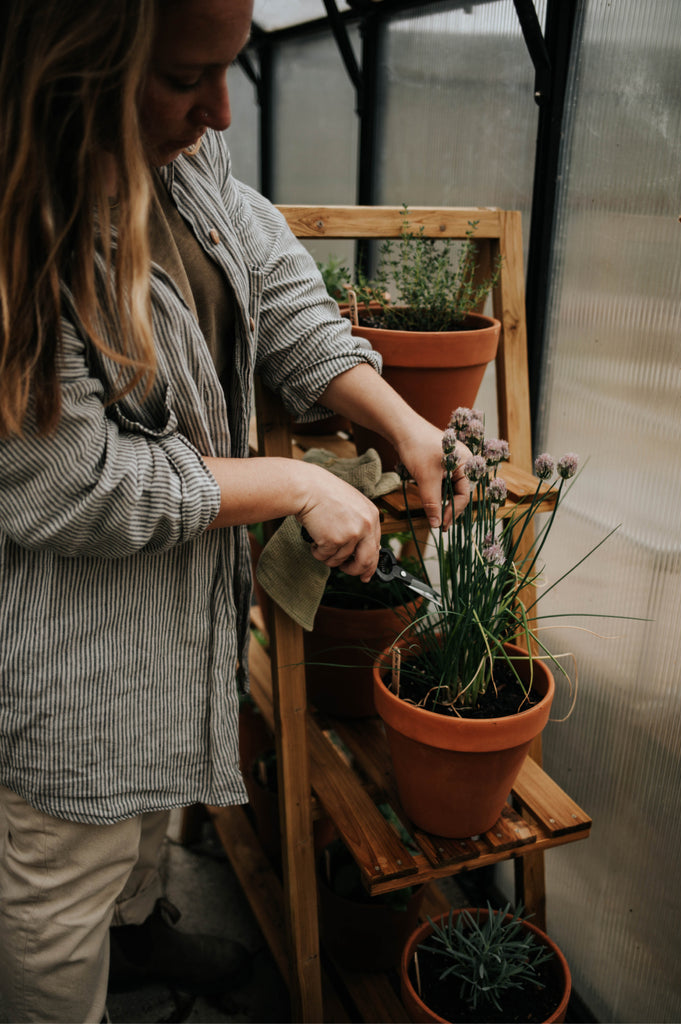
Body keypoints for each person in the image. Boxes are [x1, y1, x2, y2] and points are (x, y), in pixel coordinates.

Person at [0, 1, 470, 1021]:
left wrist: (398, 423)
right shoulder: (19, 228)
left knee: (136, 832)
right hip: (60, 669)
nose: (219, 110)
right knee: (56, 904)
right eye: (181, 78)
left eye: (234, 68)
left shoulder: (180, 161)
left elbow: (274, 281)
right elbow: (70, 482)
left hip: (169, 620)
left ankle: (137, 938)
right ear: (70, 68)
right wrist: (296, 483)